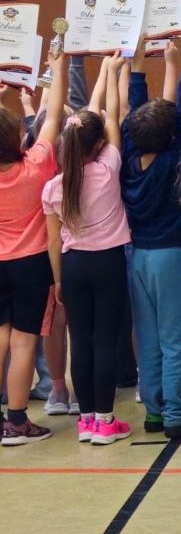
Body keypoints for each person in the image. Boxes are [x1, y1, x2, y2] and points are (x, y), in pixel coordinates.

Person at [43, 53, 131, 445]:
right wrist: (112, 74)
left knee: (80, 340)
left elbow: (51, 241)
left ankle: (87, 420)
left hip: (74, 267)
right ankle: (106, 420)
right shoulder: (109, 166)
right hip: (108, 264)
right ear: (98, 144)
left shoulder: (54, 186)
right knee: (105, 339)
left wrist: (57, 280)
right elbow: (112, 116)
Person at [121, 34, 181, 438]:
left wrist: (138, 66)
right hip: (173, 256)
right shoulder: (176, 161)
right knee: (178, 339)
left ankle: (154, 408)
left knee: (150, 338)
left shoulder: (128, 159)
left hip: (138, 257)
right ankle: (174, 413)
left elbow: (133, 118)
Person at [1, 52, 67, 444]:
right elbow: (53, 115)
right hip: (29, 265)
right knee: (24, 341)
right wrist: (56, 68)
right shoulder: (36, 165)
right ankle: (18, 420)